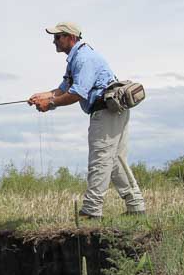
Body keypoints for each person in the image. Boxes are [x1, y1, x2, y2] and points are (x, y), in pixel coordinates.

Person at [27, 21, 146, 219]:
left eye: (58, 37)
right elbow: (63, 89)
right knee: (115, 160)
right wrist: (42, 95)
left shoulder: (84, 58)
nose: (54, 41)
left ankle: (91, 211)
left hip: (106, 111)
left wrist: (51, 104)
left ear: (71, 37)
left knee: (100, 160)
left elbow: (77, 93)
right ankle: (136, 207)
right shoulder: (76, 59)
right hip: (112, 111)